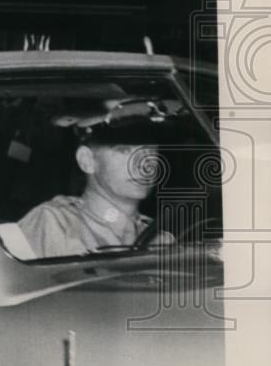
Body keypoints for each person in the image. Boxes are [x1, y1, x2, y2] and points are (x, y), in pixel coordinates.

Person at [18, 102, 176, 258]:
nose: (142, 163)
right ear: (87, 160)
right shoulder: (53, 225)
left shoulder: (161, 241)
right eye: (124, 151)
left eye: (150, 151)